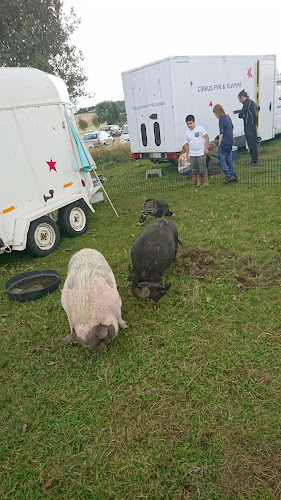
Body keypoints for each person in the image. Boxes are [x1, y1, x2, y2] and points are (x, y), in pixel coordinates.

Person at [213, 104, 238, 184]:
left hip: (224, 142)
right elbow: (232, 127)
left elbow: (221, 133)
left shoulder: (221, 119)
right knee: (229, 159)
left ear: (218, 112)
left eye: (215, 113)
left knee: (221, 160)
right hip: (230, 141)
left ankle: (229, 175)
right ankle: (234, 175)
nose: (215, 115)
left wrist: (219, 144)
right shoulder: (228, 117)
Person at [185, 115, 209, 187]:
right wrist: (187, 154)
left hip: (201, 152)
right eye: (187, 124)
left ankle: (206, 182)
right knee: (195, 170)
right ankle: (198, 183)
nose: (189, 125)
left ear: (194, 122)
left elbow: (207, 137)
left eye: (190, 123)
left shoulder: (200, 128)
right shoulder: (187, 133)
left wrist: (205, 148)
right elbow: (187, 144)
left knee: (203, 168)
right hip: (192, 154)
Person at [237, 90, 258, 167]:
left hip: (250, 125)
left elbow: (240, 114)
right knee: (250, 142)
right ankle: (254, 160)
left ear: (242, 97)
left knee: (252, 143)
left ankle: (254, 161)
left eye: (239, 99)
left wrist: (243, 115)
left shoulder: (248, 103)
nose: (240, 101)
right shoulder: (250, 102)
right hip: (249, 125)